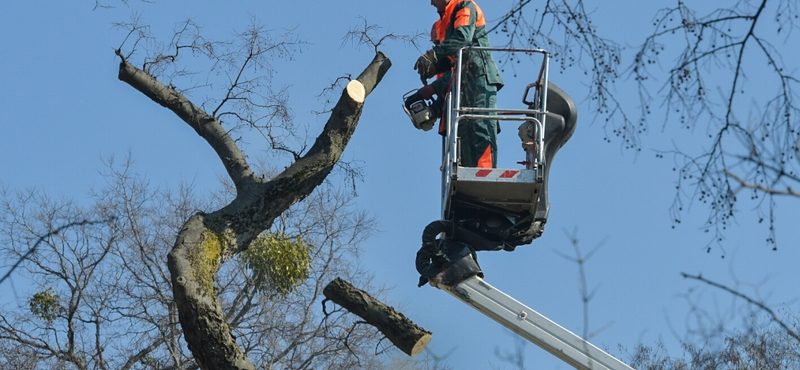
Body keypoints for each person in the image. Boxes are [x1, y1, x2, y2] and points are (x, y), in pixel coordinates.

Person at [413, 0, 504, 168]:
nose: (431, 3)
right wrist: (435, 68)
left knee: (480, 124)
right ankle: (469, 178)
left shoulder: (464, 6)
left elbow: (463, 38)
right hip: (461, 81)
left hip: (479, 75)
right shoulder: (445, 20)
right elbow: (452, 62)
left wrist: (433, 55)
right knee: (463, 131)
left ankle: (486, 175)